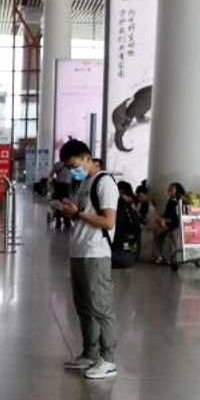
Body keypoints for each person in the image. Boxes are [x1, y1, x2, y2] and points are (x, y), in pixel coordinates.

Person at [49, 139, 120, 380]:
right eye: (69, 167)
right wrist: (71, 211)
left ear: (88, 157)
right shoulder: (84, 183)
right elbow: (83, 216)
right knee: (83, 307)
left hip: (96, 252)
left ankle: (108, 359)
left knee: (100, 307)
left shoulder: (104, 182)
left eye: (74, 164)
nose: (72, 170)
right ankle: (90, 353)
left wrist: (78, 213)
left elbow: (108, 221)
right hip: (79, 250)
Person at [154, 182, 186, 264]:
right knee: (158, 232)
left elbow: (175, 218)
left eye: (171, 189)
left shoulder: (176, 201)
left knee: (160, 233)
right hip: (171, 224)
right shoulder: (172, 200)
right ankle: (161, 256)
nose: (169, 191)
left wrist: (164, 221)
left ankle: (163, 257)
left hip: (175, 225)